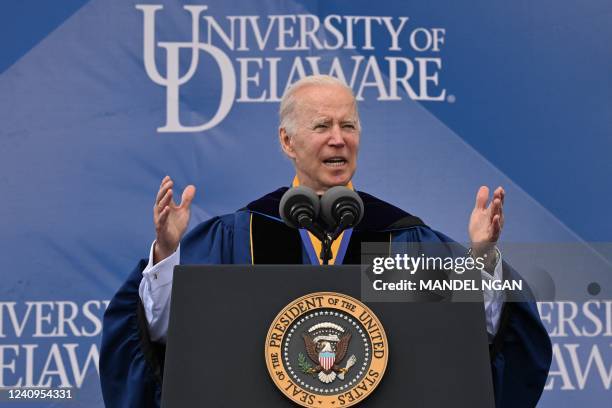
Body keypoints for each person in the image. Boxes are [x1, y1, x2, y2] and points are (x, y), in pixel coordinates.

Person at [100, 75, 551, 407]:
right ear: (287, 141)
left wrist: (483, 260)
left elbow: (483, 337)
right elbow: (157, 334)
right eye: (322, 126)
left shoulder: (401, 237)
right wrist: (166, 253)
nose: (339, 138)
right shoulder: (237, 236)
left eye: (349, 126)